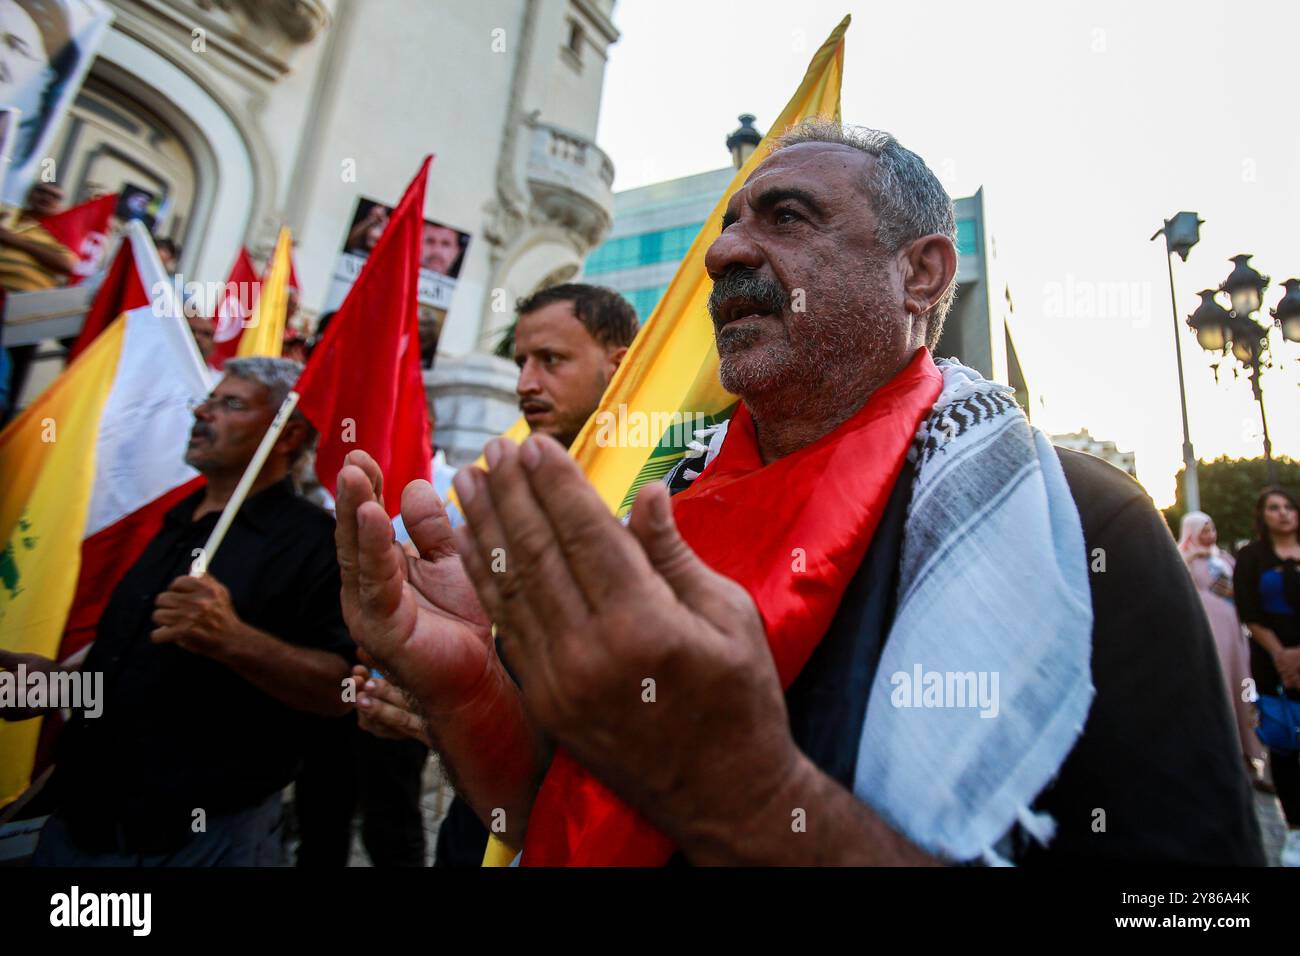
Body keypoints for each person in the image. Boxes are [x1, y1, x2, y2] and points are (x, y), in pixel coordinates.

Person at [336, 122, 1262, 865]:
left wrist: (754, 801)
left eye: (785, 217)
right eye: (728, 227)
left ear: (923, 272)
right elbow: (549, 809)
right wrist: (469, 692)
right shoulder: (657, 509)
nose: (725, 254)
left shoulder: (1078, 522)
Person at [2, 357, 355, 866]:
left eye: (230, 404)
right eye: (208, 400)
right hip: (81, 823)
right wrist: (52, 684)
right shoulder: (175, 522)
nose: (202, 413)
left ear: (287, 435)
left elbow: (340, 689)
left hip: (199, 841)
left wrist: (234, 639)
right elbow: (129, 664)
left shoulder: (315, 543)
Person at [348, 282, 637, 866]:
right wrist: (445, 704)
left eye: (551, 361)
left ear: (619, 364)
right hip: (479, 825)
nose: (526, 383)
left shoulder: (662, 497)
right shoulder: (505, 493)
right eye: (522, 362)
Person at [1233, 486, 1300, 866]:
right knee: (1285, 745)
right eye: (1274, 508)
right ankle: (1294, 829)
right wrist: (1283, 657)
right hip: (1273, 666)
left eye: (1289, 506)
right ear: (1263, 516)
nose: (1284, 514)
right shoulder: (1252, 557)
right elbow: (1250, 610)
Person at [1178, 512, 1266, 779]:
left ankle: (1248, 749)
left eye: (1211, 529)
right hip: (1208, 634)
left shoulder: (1223, 558)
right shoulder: (1183, 561)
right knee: (1218, 684)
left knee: (1241, 685)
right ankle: (1221, 749)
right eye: (1203, 531)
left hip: (1234, 633)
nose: (1209, 536)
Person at [0, 182, 77, 411]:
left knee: (14, 370)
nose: (45, 198)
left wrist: (15, 242)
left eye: (54, 196)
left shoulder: (58, 232)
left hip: (27, 309)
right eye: (41, 192)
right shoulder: (8, 216)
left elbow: (66, 263)